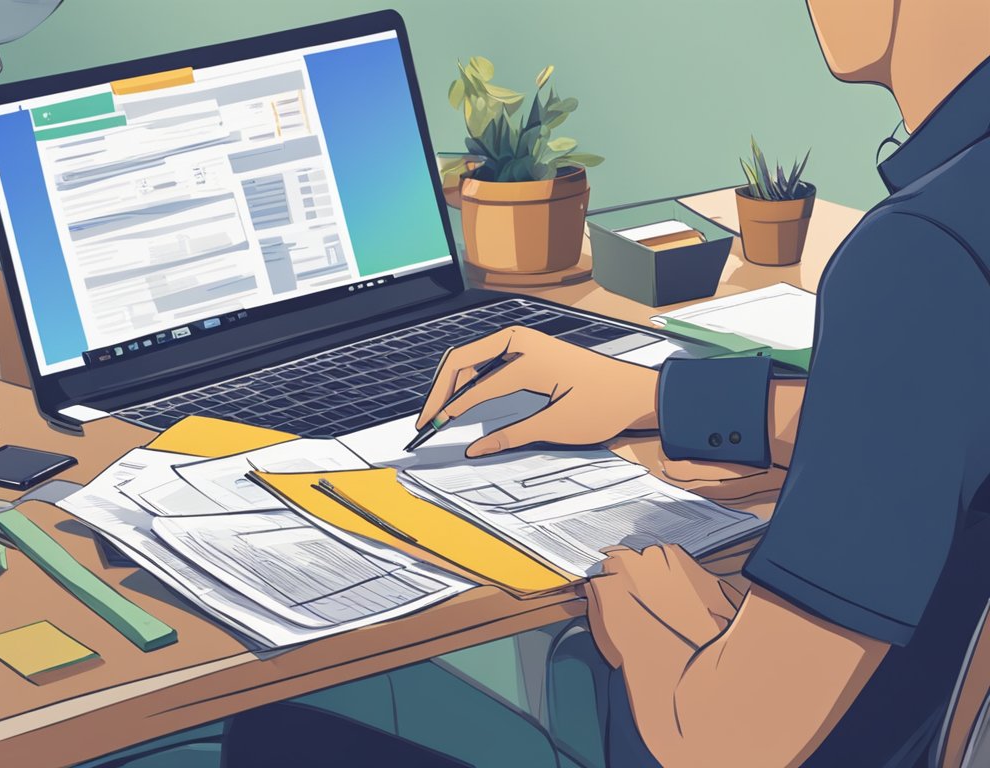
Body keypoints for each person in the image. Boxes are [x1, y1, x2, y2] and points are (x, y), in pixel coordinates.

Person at [408, 0, 990, 764]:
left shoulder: (922, 254)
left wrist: (655, 624)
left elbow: (720, 742)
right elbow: (930, 419)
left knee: (293, 728)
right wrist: (655, 398)